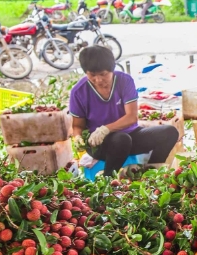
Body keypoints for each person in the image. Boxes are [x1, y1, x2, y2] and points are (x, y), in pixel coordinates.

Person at [69, 45, 179, 177]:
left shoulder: (124, 81)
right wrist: (78, 138)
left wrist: (105, 129)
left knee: (170, 132)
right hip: (99, 143)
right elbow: (77, 125)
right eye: (92, 75)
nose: (98, 80)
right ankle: (108, 180)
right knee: (121, 139)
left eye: (103, 74)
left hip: (131, 135)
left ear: (112, 70)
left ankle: (151, 171)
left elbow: (131, 117)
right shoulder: (78, 92)